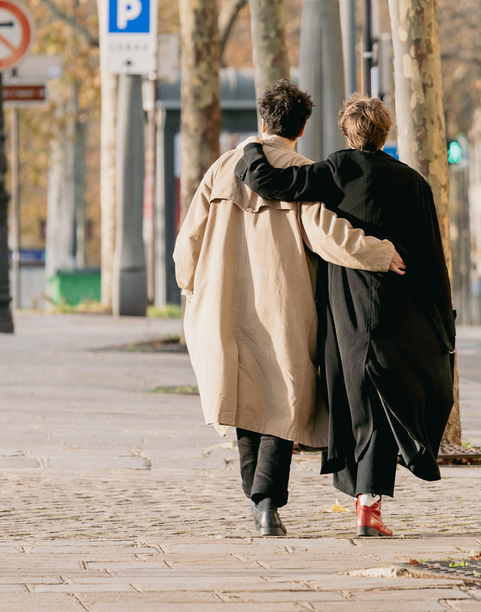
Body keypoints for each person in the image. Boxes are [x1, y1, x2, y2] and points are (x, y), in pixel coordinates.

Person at [173, 80, 406, 538]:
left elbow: (188, 242)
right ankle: (266, 501)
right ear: (301, 128)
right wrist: (382, 253)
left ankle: (257, 500)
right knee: (281, 402)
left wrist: (190, 288)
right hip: (283, 304)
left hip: (221, 303)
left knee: (241, 399)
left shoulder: (222, 168)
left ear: (263, 121)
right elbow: (327, 234)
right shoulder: (302, 173)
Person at [234, 95, 456, 537]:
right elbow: (433, 257)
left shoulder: (335, 170)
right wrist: (444, 322)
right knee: (385, 398)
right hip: (402, 305)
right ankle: (368, 506)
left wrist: (252, 146)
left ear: (347, 132)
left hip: (347, 306)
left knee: (354, 398)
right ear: (385, 132)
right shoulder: (413, 183)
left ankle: (363, 498)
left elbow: (269, 182)